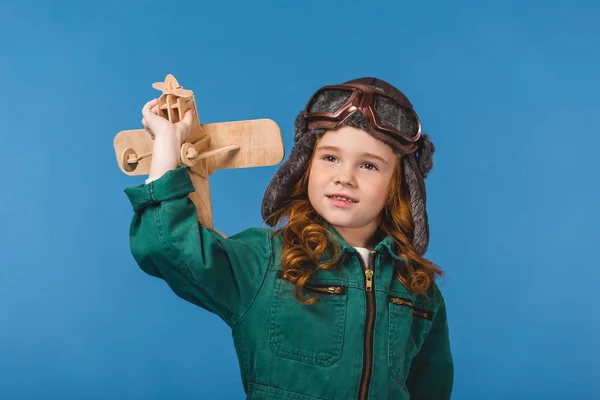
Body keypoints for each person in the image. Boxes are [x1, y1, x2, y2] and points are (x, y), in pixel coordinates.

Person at [124, 77, 454, 399]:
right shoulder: (264, 262)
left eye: (368, 166)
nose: (344, 177)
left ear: (398, 186)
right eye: (330, 158)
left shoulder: (418, 290)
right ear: (304, 166)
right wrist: (167, 147)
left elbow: (432, 389)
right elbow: (165, 247)